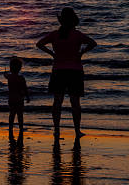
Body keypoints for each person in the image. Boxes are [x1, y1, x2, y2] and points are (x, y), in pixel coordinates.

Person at [36, 7, 96, 139]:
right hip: (75, 71)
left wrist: (51, 53)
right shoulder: (77, 34)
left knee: (57, 102)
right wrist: (82, 53)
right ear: (73, 20)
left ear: (61, 20)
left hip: (58, 70)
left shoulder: (54, 34)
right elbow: (93, 43)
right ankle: (77, 131)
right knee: (75, 103)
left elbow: (39, 44)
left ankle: (57, 130)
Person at [4, 56, 30, 139]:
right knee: (20, 115)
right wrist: (27, 97)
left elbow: (5, 75)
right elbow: (25, 88)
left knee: (12, 114)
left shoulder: (9, 77)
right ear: (20, 68)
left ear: (11, 68)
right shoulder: (21, 78)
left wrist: (5, 72)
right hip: (19, 98)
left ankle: (10, 128)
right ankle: (21, 128)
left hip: (11, 98)